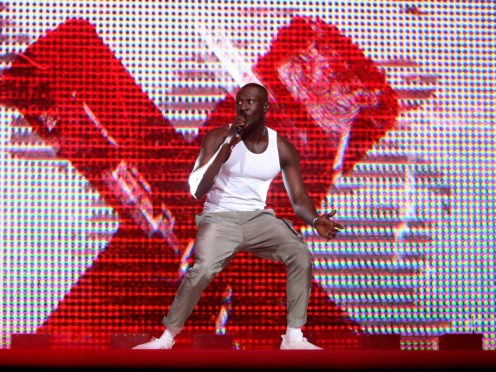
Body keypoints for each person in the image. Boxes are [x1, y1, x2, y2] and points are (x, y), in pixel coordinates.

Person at [133, 83, 343, 350]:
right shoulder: (217, 138)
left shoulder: (281, 147)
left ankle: (293, 337)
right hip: (220, 219)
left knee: (299, 254)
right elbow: (197, 187)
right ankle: (165, 339)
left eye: (252, 102)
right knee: (202, 270)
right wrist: (226, 146)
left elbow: (299, 198)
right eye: (241, 101)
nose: (244, 106)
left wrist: (315, 220)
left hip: (258, 221)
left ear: (265, 108)